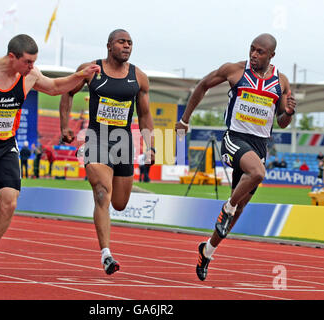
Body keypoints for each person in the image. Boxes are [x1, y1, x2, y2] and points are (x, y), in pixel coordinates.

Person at [0, 34, 100, 278]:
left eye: (34, 62)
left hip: (6, 147)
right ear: (12, 57)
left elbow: (55, 87)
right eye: (28, 62)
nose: (32, 67)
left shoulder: (30, 76)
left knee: (10, 203)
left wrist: (80, 76)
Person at [175, 33, 296, 281]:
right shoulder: (235, 71)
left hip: (260, 146)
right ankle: (227, 207)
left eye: (260, 51)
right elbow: (203, 85)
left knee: (238, 212)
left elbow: (282, 122)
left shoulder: (281, 81)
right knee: (257, 174)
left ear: (271, 55)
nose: (253, 54)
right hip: (234, 139)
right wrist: (184, 119)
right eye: (252, 49)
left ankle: (207, 250)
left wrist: (290, 114)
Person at [59, 29, 155, 275]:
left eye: (130, 43)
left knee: (120, 204)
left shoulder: (139, 77)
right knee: (102, 191)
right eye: (121, 42)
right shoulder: (91, 70)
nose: (127, 46)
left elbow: (144, 115)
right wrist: (65, 126)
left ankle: (106, 241)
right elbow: (67, 92)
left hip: (123, 142)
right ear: (109, 46)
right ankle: (106, 254)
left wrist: (151, 146)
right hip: (96, 138)